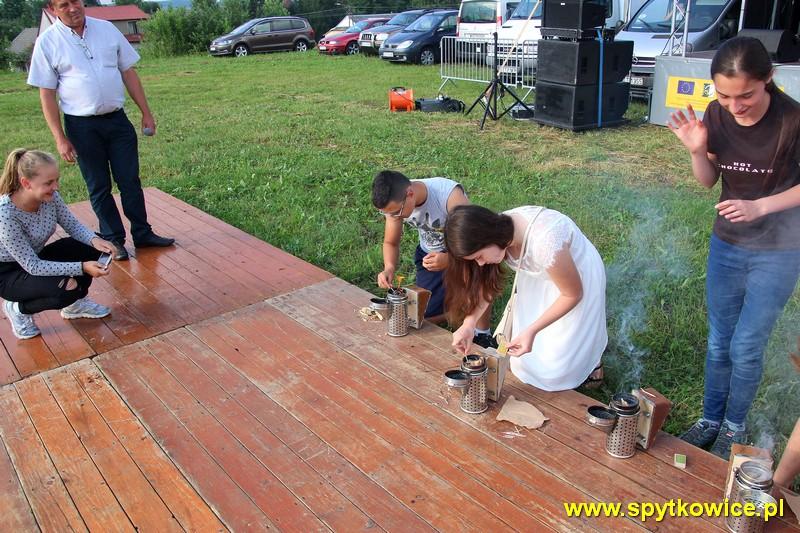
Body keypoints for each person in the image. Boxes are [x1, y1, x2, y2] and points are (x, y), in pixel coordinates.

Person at [668, 36, 800, 459]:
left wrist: (760, 206)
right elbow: (708, 180)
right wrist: (696, 151)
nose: (734, 106)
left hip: (779, 250)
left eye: (745, 95)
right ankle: (710, 419)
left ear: (768, 79)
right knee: (719, 341)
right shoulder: (716, 114)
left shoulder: (792, 120)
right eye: (724, 96)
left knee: (745, 345)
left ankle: (734, 425)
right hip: (727, 244)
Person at [27, 0, 174, 261]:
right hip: (81, 126)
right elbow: (46, 94)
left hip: (117, 121)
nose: (72, 8)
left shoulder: (106, 29)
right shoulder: (47, 42)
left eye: (75, 1)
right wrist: (60, 138)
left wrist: (146, 112)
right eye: (64, 5)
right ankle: (113, 239)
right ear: (53, 8)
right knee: (98, 185)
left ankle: (142, 233)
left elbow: (128, 72)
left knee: (130, 180)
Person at [445, 205, 607, 391]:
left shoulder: (545, 242)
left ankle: (592, 362)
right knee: (525, 362)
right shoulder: (498, 237)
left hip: (574, 278)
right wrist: (469, 323)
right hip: (538, 276)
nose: (480, 263)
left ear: (487, 237)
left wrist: (531, 331)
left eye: (479, 256)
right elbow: (488, 286)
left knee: (556, 369)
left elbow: (572, 294)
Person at [0, 149, 117, 340]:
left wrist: (96, 241)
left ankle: (75, 305)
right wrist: (82, 267)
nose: (56, 187)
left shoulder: (49, 197)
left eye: (56, 180)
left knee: (91, 246)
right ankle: (17, 308)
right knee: (66, 288)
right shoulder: (5, 215)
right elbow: (33, 266)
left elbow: (72, 225)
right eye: (48, 183)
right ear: (26, 183)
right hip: (8, 273)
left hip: (35, 257)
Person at [371, 170, 495, 347]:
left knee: (480, 280)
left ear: (410, 193)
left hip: (465, 253)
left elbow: (476, 241)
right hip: (429, 255)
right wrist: (389, 267)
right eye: (390, 214)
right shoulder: (395, 204)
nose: (395, 217)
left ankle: (483, 333)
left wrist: (450, 260)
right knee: (420, 314)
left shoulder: (449, 196)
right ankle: (457, 310)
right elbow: (391, 242)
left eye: (397, 212)